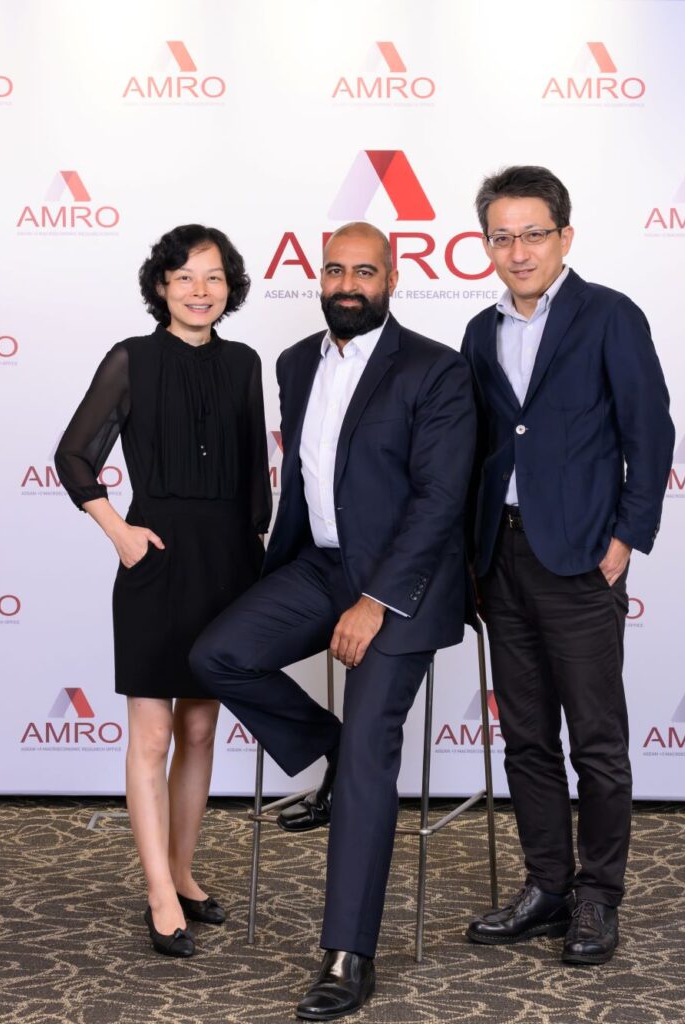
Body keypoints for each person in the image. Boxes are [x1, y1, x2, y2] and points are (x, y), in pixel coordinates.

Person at [190, 222, 474, 1020]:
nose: (348, 285)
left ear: (393, 277)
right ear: (320, 277)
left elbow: (439, 501)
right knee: (218, 654)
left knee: (372, 749)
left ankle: (348, 956)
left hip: (403, 586)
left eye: (365, 271)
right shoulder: (294, 363)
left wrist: (376, 600)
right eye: (336, 270)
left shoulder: (435, 369)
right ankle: (334, 752)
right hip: (319, 567)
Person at [459, 166, 674, 966]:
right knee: (525, 739)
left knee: (596, 742)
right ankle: (547, 886)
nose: (518, 251)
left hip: (582, 557)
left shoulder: (610, 316)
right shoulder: (479, 333)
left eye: (533, 234)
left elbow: (650, 433)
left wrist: (625, 540)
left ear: (565, 237)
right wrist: (470, 556)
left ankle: (598, 896)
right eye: (502, 237)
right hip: (501, 557)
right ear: (487, 245)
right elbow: (479, 447)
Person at [54, 224, 270, 959]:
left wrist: (260, 562)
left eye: (213, 278)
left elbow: (254, 475)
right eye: (184, 277)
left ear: (229, 288)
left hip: (228, 563)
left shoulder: (245, 362)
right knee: (151, 734)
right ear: (160, 287)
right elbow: (73, 454)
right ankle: (157, 892)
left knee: (201, 730)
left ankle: (182, 871)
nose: (199, 291)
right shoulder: (132, 359)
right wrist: (118, 530)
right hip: (155, 558)